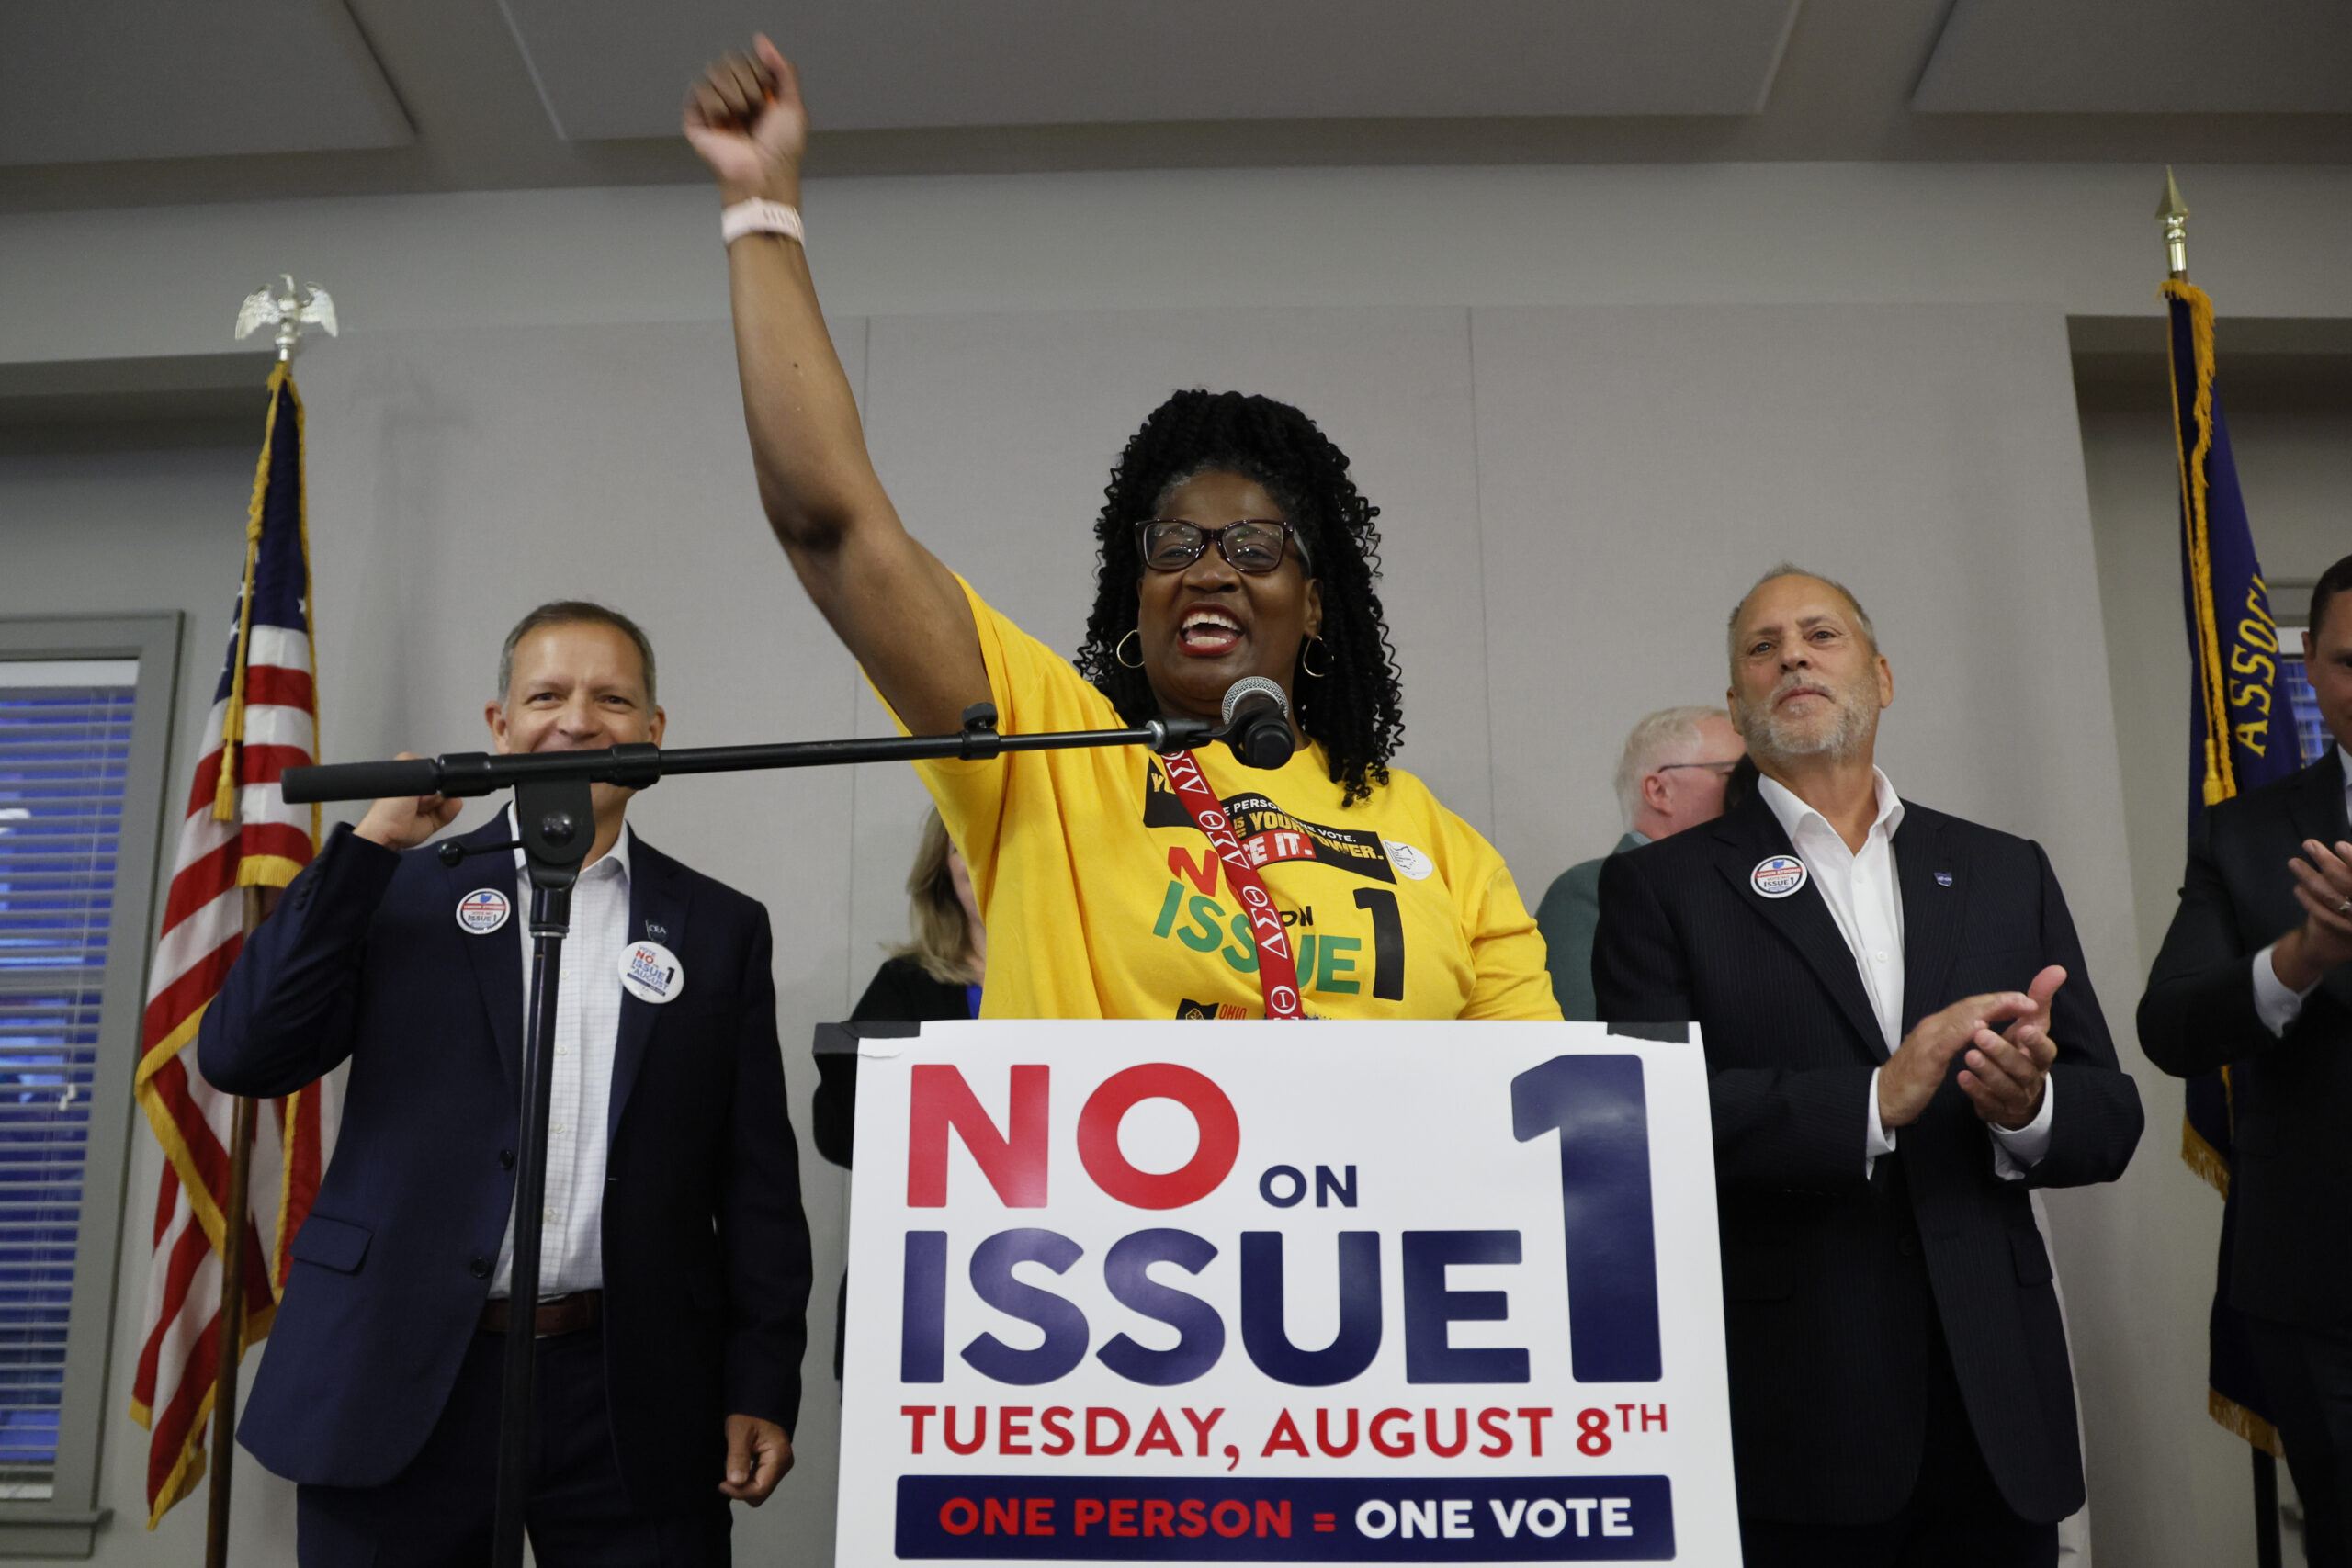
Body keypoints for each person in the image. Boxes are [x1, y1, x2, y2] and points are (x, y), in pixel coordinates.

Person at [684, 39, 1558, 1023]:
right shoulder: (1051, 760)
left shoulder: (1443, 848)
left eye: (1254, 548)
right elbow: (831, 528)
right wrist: (760, 206)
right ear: (1135, 597)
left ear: (1314, 604)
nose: (1210, 572)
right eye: (1174, 547)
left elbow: (1542, 1098)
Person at [197, 602, 813, 1567]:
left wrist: (761, 1378)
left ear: (655, 733)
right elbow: (243, 1053)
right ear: (499, 725)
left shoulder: (719, 927)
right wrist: (367, 849)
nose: (578, 721)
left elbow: (757, 1187)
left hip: (630, 1391)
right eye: (547, 696)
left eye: (613, 700)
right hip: (400, 1370)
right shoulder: (399, 887)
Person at [1593, 566, 2143, 1567]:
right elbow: (1646, 1120)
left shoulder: (2002, 868)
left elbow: (2110, 1114)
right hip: (1794, 1416)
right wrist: (1872, 1099)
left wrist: (2028, 1106)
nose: (1793, 658)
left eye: (1820, 635)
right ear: (1736, 705)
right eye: (1763, 647)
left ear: (1881, 677)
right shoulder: (1657, 888)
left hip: (1996, 1413)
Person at [2140, 552, 2352, 1567]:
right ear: (2309, 666)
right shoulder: (2247, 833)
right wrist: (2300, 957)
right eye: (2351, 661)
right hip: (2320, 1289)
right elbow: (2170, 1025)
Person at [812, 806, 985, 1379]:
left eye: (1001, 841)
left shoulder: (1095, 981)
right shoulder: (904, 985)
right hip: (918, 1283)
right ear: (941, 869)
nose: (982, 858)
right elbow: (836, 1134)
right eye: (963, 844)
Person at [1535, 705, 1744, 1019]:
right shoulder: (1588, 892)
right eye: (1731, 774)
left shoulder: (1748, 889)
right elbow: (1589, 1037)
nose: (1750, 791)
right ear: (1659, 791)